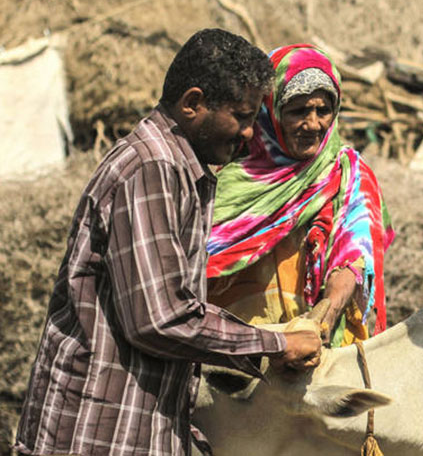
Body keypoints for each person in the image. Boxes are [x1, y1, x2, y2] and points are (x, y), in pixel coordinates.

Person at [14, 29, 322, 456]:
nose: (251, 133)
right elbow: (160, 319)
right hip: (98, 432)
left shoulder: (183, 170)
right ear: (192, 103)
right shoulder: (151, 169)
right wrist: (276, 343)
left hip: (130, 424)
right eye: (241, 116)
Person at [205, 44, 394, 347]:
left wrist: (326, 313)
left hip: (311, 354)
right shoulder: (227, 179)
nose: (313, 124)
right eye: (298, 111)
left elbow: (353, 256)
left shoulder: (348, 176)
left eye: (324, 110)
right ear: (269, 109)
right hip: (229, 356)